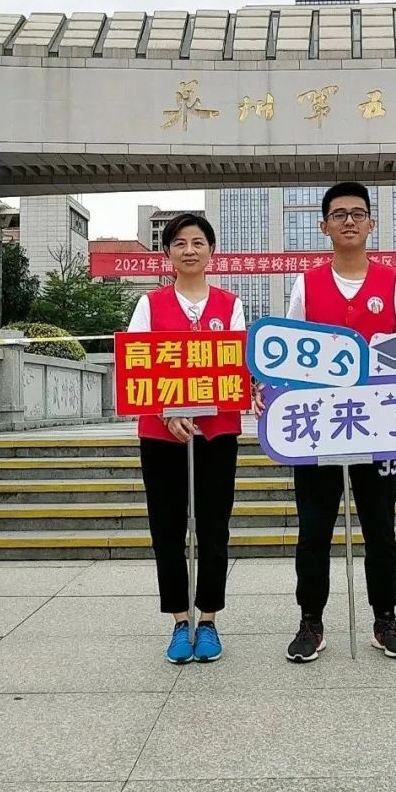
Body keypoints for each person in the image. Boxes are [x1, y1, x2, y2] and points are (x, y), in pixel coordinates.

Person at [261, 181, 396, 663]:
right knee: (313, 530)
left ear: (371, 223)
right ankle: (310, 623)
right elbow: (289, 354)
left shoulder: (393, 280)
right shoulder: (307, 282)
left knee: (381, 528)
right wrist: (270, 393)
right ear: (324, 226)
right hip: (318, 428)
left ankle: (386, 620)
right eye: (338, 214)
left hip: (378, 427)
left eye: (357, 213)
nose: (348, 221)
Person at [128, 213, 245, 665]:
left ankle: (210, 619)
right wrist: (165, 409)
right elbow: (138, 363)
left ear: (211, 251)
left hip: (217, 432)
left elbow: (235, 365)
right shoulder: (150, 305)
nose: (190, 250)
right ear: (168, 253)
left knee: (214, 527)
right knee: (167, 528)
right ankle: (180, 621)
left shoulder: (230, 304)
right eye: (180, 243)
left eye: (198, 242)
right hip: (162, 433)